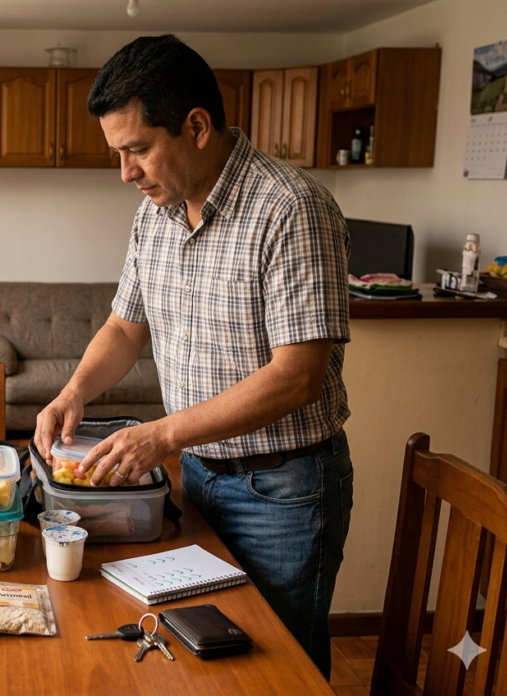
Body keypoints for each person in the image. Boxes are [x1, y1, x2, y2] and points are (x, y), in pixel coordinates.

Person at [34, 35, 352, 678]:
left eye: (137, 149)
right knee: (202, 661)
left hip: (283, 490)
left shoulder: (292, 208)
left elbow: (298, 378)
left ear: (197, 126)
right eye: (119, 153)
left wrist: (162, 435)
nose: (126, 172)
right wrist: (74, 392)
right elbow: (126, 328)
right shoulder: (156, 212)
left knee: (278, 669)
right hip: (201, 478)